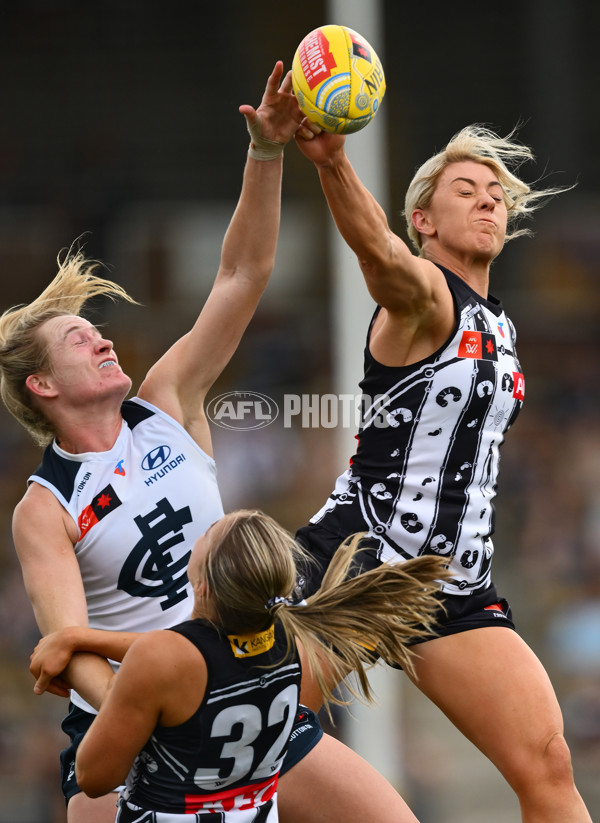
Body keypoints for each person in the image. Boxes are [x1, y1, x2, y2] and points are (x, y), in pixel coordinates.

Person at [2, 62, 440, 823]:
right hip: (140, 722)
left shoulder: (167, 400)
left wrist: (265, 153)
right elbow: (69, 653)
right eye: (79, 338)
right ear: (42, 386)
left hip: (249, 685)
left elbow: (243, 273)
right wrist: (152, 717)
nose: (102, 338)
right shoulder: (44, 508)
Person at [289, 123, 593, 823]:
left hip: (451, 586)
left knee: (547, 763)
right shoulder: (426, 294)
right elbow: (377, 253)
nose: (489, 202)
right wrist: (333, 163)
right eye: (466, 191)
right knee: (243, 733)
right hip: (357, 561)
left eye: (496, 194)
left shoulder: (501, 325)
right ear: (423, 219)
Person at [29, 508, 448, 822]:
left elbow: (94, 777)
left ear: (203, 582)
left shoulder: (160, 662)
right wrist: (77, 637)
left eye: (208, 533)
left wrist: (111, 691)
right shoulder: (289, 635)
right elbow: (187, 654)